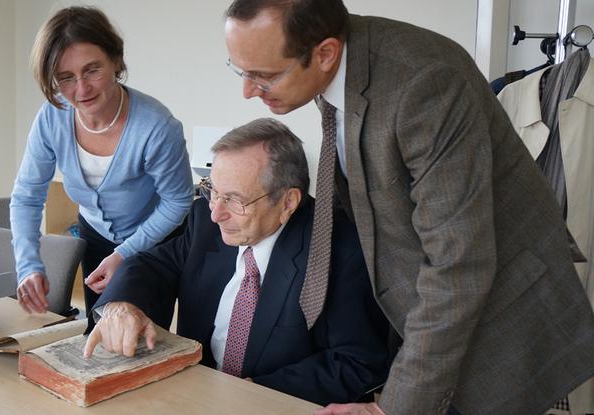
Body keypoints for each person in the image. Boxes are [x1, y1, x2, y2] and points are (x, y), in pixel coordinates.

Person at [223, 1, 594, 414]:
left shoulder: (425, 82)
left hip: (498, 321)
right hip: (426, 315)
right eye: (241, 71)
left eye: (264, 76)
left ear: (325, 53)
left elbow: (460, 267)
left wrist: (393, 408)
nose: (248, 90)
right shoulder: (330, 69)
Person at [82, 118, 390, 406]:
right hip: (195, 396)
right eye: (212, 190)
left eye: (235, 200)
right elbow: (152, 265)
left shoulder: (338, 250)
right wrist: (121, 305)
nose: (217, 213)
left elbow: (357, 363)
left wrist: (248, 393)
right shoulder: (207, 221)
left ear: (288, 203)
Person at [10, 7, 193, 331]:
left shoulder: (156, 126)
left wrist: (125, 253)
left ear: (116, 61)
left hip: (154, 243)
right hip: (95, 237)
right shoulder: (52, 118)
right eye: (66, 78)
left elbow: (177, 202)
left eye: (92, 70)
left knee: (136, 341)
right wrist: (28, 265)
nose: (81, 90)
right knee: (97, 333)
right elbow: (27, 196)